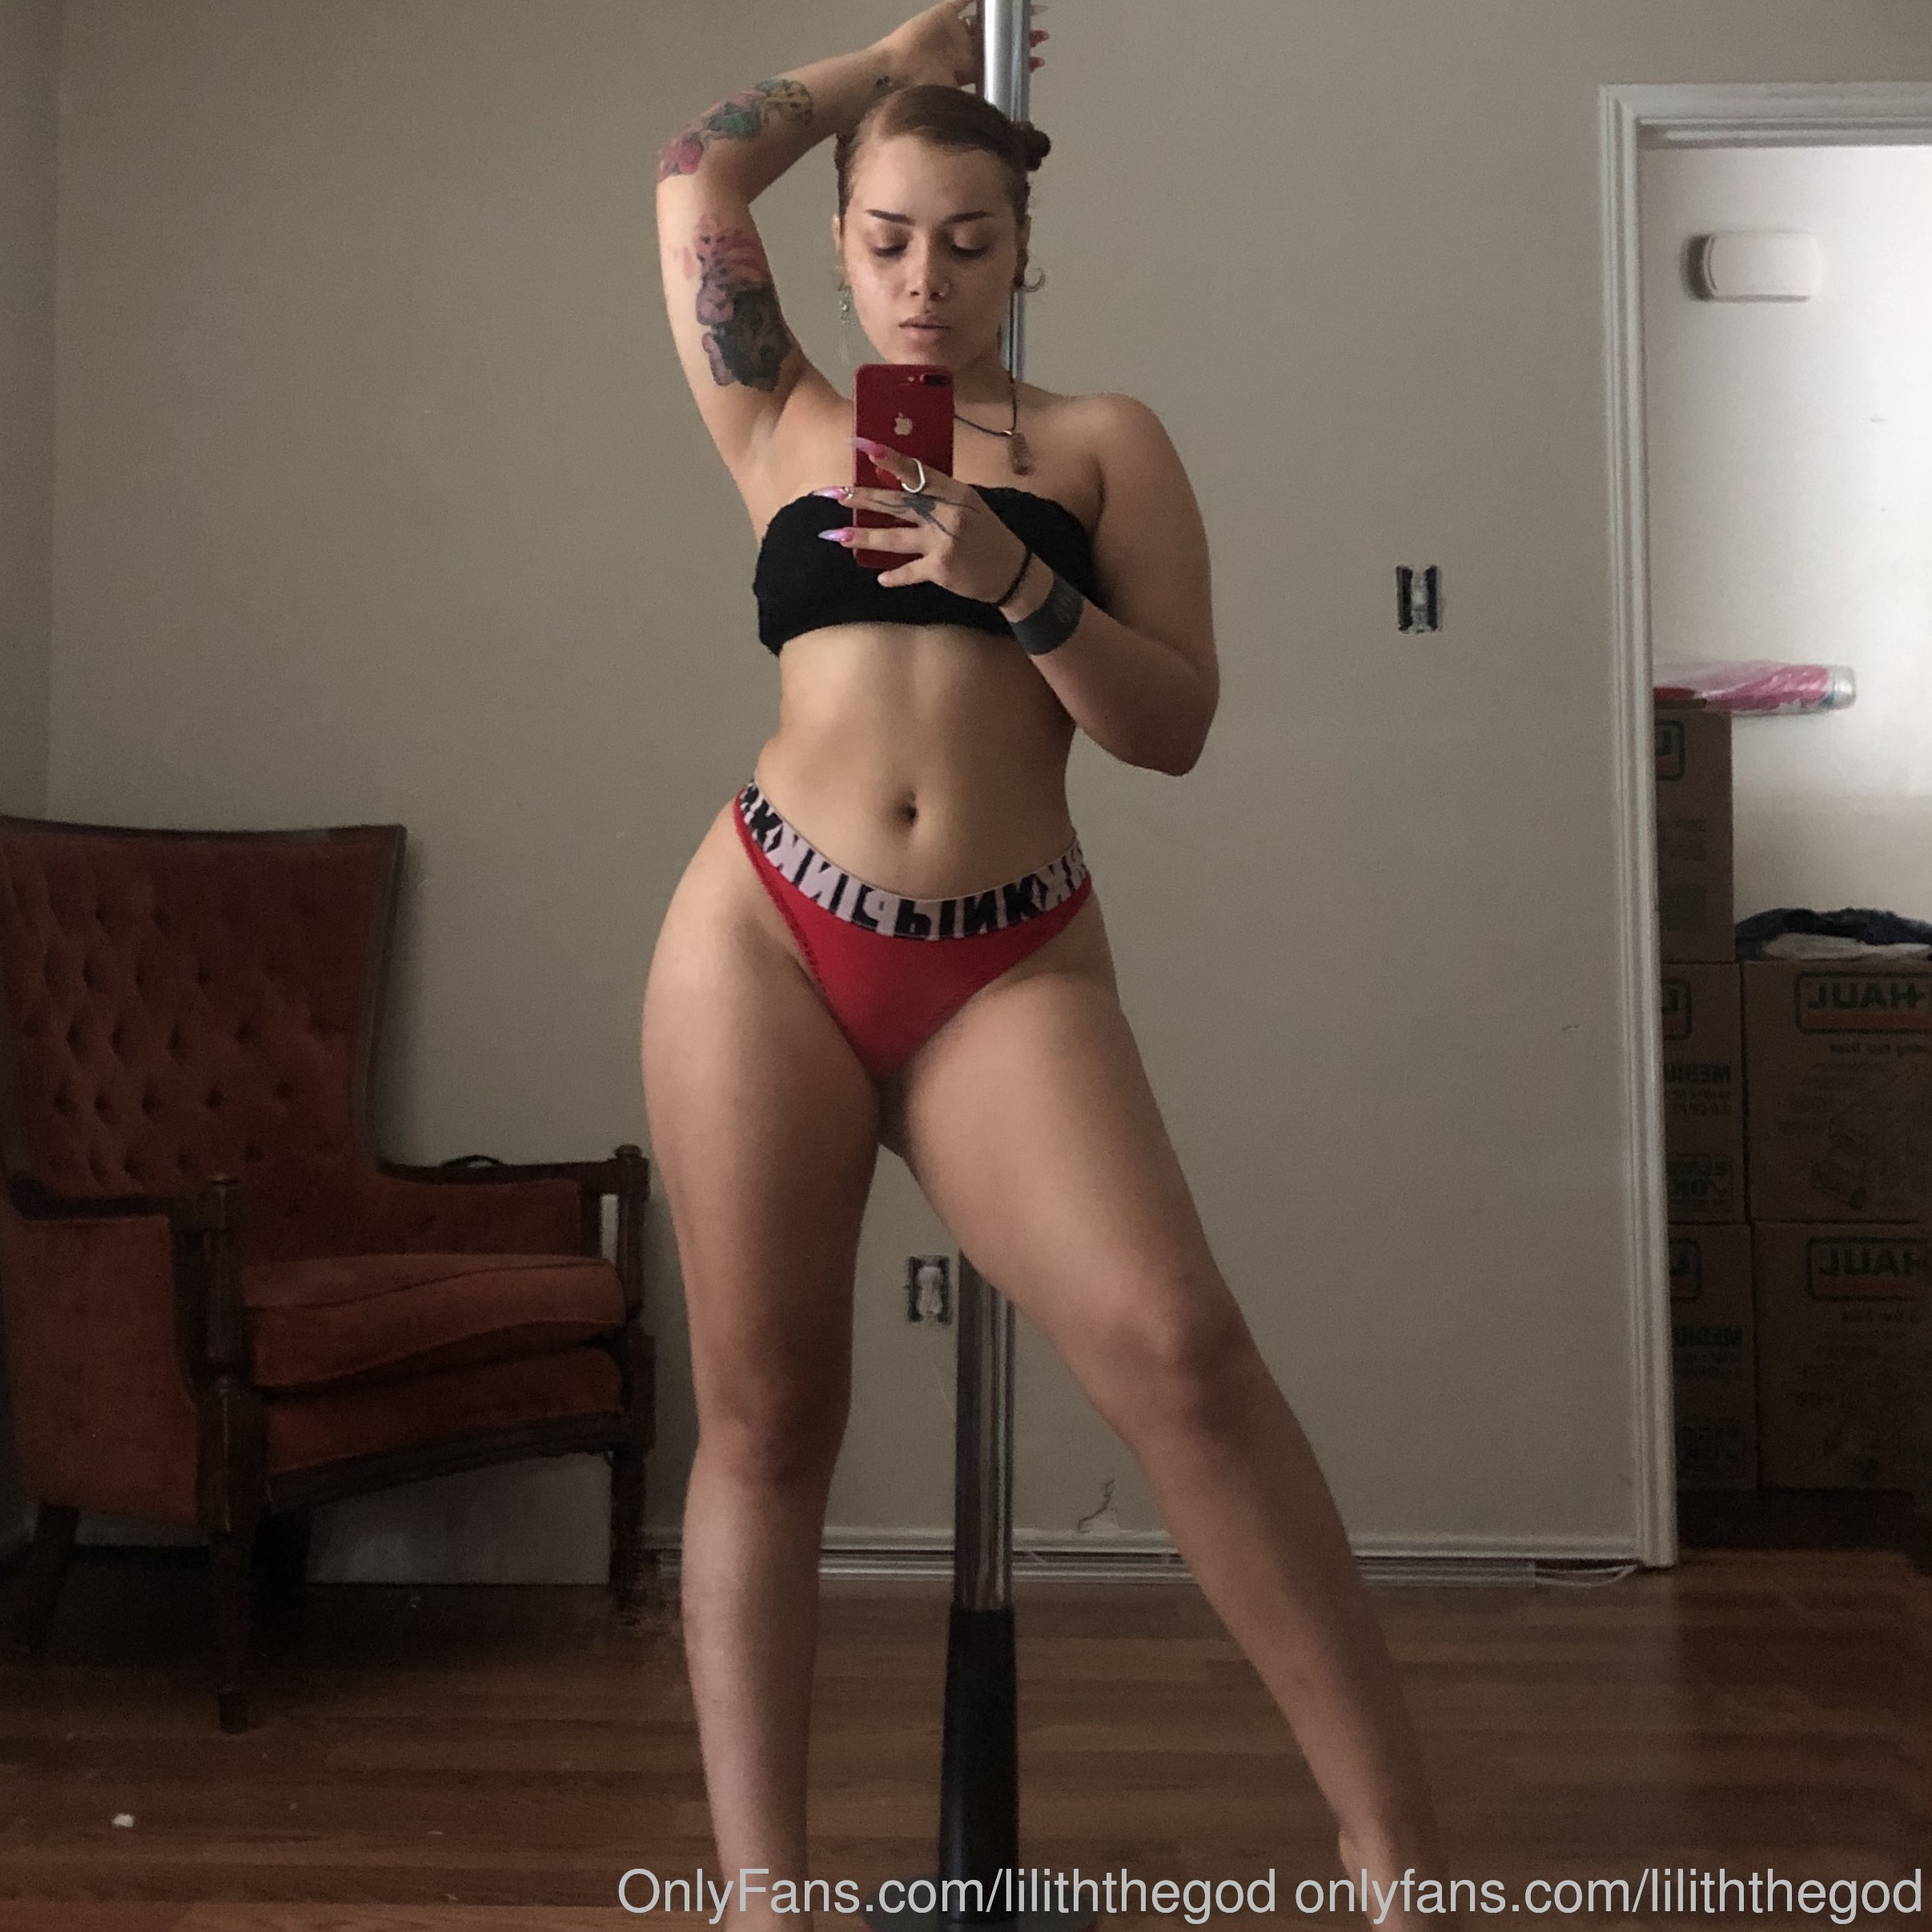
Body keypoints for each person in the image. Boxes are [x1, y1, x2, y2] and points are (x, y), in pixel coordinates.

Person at [645, 5, 1454, 1926]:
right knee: (768, 1412)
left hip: (1001, 958)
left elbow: (1170, 728)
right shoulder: (778, 413)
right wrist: (895, 55)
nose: (925, 282)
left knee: (1180, 1350)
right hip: (765, 934)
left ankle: (1396, 1851)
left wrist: (1013, 581)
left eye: (970, 241)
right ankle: (763, 1898)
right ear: (842, 245)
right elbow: (695, 167)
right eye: (889, 240)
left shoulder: (1100, 448)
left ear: (1024, 250)